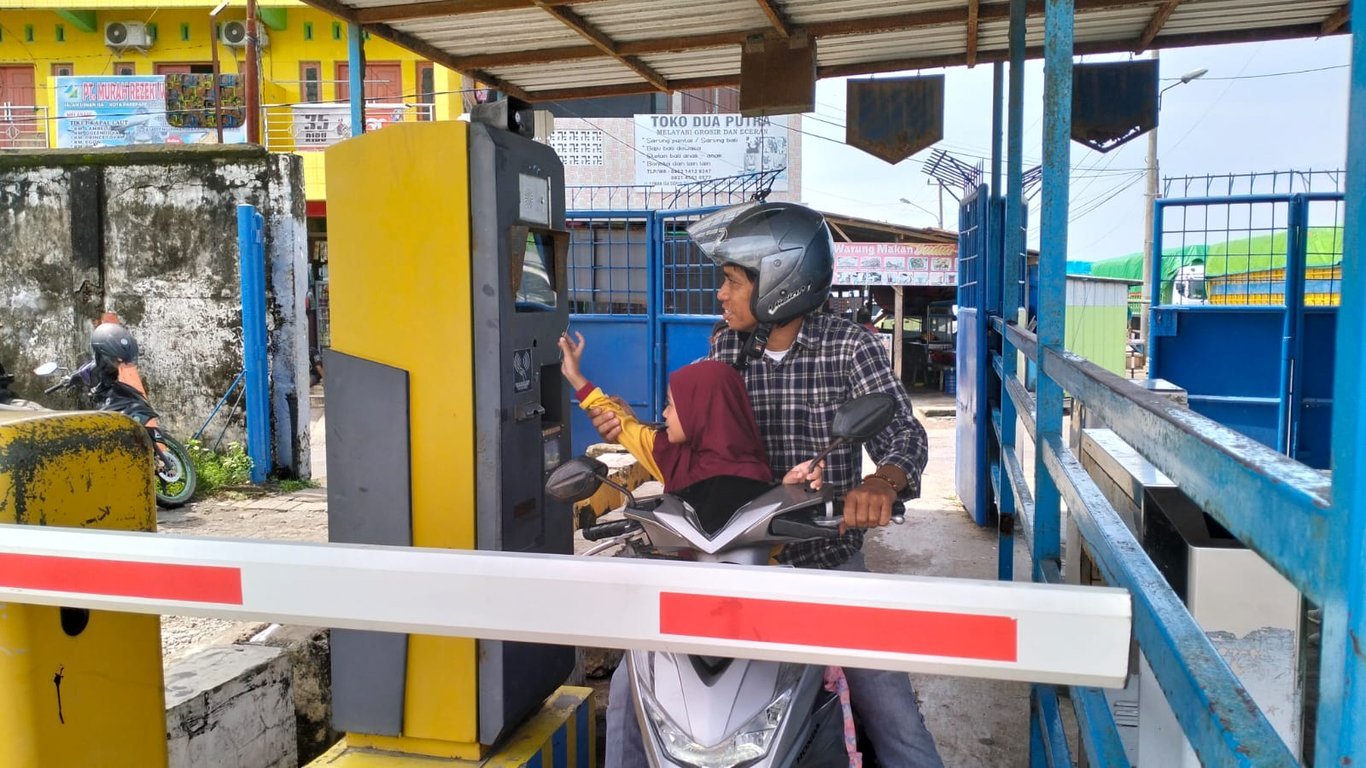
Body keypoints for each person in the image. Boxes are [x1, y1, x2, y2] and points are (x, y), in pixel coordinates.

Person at [590, 201, 943, 767]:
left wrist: (883, 480)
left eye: (733, 282)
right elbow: (700, 432)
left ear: (781, 283)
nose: (721, 295)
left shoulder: (849, 346)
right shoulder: (726, 345)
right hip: (730, 560)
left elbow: (904, 433)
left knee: (893, 713)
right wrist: (635, 434)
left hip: (822, 561)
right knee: (634, 695)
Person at [558, 332, 816, 532]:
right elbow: (621, 423)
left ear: (700, 411)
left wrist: (788, 492)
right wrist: (574, 375)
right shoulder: (670, 453)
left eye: (671, 404)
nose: (663, 414)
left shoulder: (753, 479)